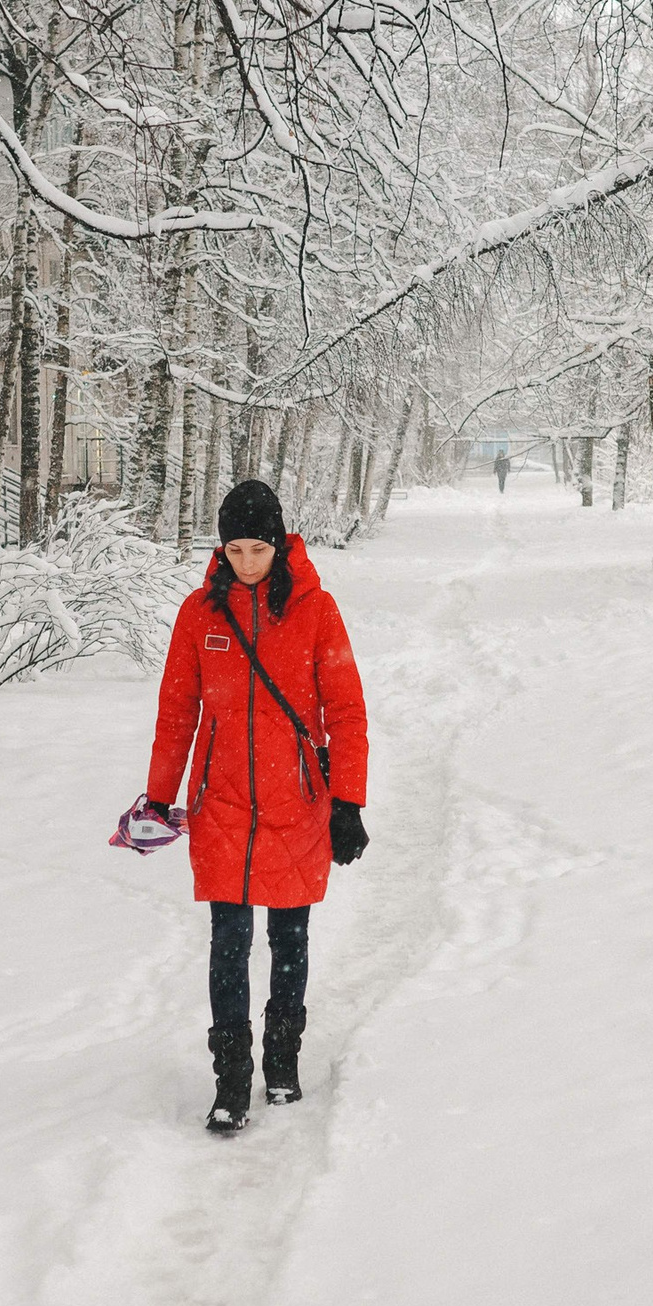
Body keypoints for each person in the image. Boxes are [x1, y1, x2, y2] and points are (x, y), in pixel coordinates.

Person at [143, 479, 370, 1134]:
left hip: (295, 802)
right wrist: (160, 792)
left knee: (289, 936)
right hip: (221, 805)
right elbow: (177, 711)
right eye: (235, 549)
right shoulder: (199, 614)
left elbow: (346, 713)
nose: (246, 562)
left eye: (257, 549)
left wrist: (348, 801)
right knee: (228, 941)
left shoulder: (315, 610)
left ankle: (282, 1058)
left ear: (278, 543)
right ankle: (232, 1077)